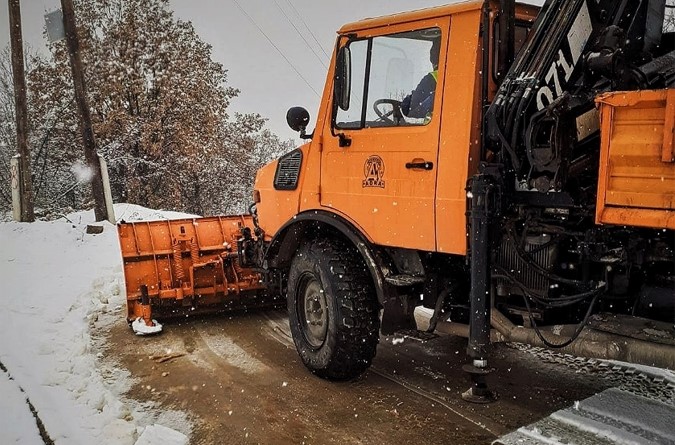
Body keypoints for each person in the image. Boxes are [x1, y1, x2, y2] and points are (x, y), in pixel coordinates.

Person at [401, 38, 440, 119]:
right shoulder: (458, 78)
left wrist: (406, 101)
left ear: (433, 60)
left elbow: (410, 109)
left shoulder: (432, 79)